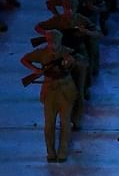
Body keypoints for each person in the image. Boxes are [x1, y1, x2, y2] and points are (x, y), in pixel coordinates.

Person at [20, 30, 77, 162]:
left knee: (65, 123)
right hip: (49, 89)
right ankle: (50, 153)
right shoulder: (41, 53)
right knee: (49, 125)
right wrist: (36, 70)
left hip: (65, 89)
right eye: (51, 41)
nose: (53, 44)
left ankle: (62, 152)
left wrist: (68, 63)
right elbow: (24, 59)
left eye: (55, 41)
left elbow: (73, 65)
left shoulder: (66, 52)